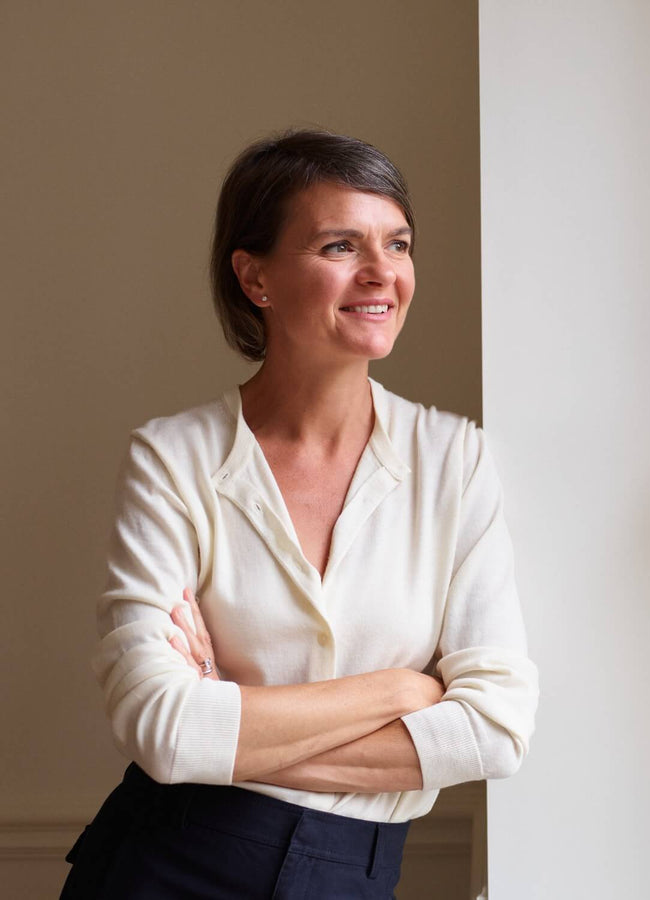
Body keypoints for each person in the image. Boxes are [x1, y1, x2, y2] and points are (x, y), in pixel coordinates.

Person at [60, 129, 538, 899]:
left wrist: (224, 729)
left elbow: (496, 728)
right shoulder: (172, 458)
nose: (383, 273)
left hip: (354, 867)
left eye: (399, 243)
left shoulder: (455, 460)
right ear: (256, 278)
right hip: (169, 859)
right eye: (341, 246)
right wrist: (401, 691)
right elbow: (159, 726)